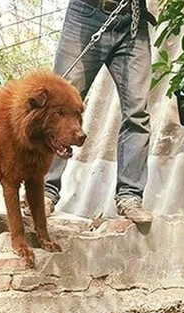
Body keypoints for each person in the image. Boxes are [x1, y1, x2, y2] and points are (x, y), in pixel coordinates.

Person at [44, 0, 156, 224]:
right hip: (85, 14)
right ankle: (44, 190)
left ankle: (130, 196)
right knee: (59, 105)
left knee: (137, 113)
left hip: (133, 22)